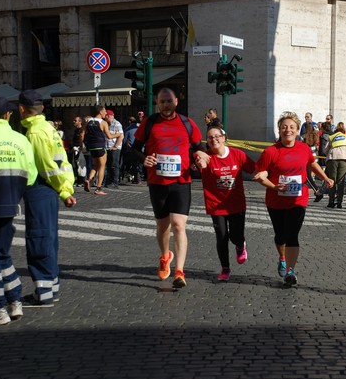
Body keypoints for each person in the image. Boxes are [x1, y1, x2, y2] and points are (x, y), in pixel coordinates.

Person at [132, 87, 210, 289]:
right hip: (157, 182)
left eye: (169, 101)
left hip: (181, 181)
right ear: (157, 103)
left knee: (179, 225)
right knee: (162, 226)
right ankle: (165, 255)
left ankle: (179, 271)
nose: (166, 105)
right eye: (162, 101)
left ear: (176, 101)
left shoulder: (187, 123)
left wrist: (198, 157)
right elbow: (134, 148)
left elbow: (198, 148)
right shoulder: (149, 123)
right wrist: (145, 158)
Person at [253, 111, 334, 286]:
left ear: (298, 130)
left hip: (298, 200)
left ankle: (290, 270)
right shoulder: (270, 152)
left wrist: (325, 178)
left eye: (291, 127)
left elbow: (311, 163)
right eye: (284, 127)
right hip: (276, 201)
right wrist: (271, 185)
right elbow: (262, 173)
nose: (287, 130)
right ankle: (282, 258)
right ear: (279, 130)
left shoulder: (304, 148)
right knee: (280, 235)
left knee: (292, 235)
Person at [18, 89, 77, 307]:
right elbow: (63, 161)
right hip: (52, 189)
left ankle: (43, 291)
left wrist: (64, 191)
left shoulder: (34, 132)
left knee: (39, 237)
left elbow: (46, 166)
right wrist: (66, 188)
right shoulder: (48, 128)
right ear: (41, 108)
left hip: (41, 188)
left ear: (22, 109)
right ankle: (51, 286)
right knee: (49, 238)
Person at [0, 95, 37, 324]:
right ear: (7, 115)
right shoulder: (20, 139)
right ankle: (15, 301)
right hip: (10, 204)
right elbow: (31, 176)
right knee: (2, 254)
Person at [197, 127, 256, 282]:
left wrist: (265, 175)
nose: (213, 139)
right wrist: (199, 160)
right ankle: (225, 268)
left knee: (236, 235)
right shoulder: (206, 156)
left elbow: (254, 169)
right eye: (209, 137)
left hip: (236, 203)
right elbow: (197, 162)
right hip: (216, 204)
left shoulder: (238, 155)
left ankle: (240, 245)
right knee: (221, 236)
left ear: (224, 138)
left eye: (217, 136)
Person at [84, 105, 120, 196]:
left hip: (92, 146)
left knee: (95, 165)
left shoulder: (88, 121)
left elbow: (83, 133)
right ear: (100, 112)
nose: (105, 113)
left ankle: (89, 179)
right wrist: (117, 135)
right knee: (102, 167)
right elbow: (109, 136)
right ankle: (98, 188)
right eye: (104, 111)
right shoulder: (103, 123)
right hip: (100, 146)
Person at [323, 122, 346, 208]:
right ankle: (339, 203)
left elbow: (325, 151)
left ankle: (331, 202)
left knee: (332, 181)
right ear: (343, 131)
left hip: (332, 159)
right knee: (341, 181)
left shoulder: (331, 137)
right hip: (344, 159)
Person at [104, 110, 123, 188]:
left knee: (114, 165)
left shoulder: (117, 124)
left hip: (114, 147)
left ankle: (115, 182)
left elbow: (121, 136)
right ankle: (109, 181)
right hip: (107, 147)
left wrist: (115, 146)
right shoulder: (106, 124)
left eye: (105, 116)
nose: (104, 117)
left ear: (108, 116)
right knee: (109, 165)